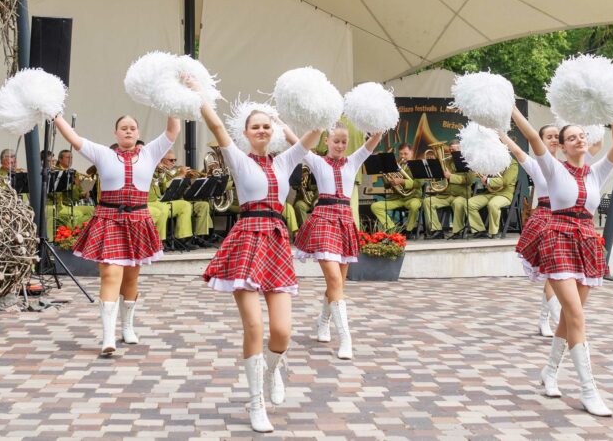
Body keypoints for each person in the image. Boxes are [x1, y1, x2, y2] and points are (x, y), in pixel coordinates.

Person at [190, 76, 311, 434]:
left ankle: (273, 369)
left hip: (276, 241)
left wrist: (319, 105)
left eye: (266, 126)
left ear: (274, 131)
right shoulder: (238, 160)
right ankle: (256, 402)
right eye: (255, 126)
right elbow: (215, 125)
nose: (261, 130)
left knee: (282, 332)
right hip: (246, 239)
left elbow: (312, 137)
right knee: (254, 326)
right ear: (246, 133)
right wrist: (199, 94)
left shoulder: (285, 160)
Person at [509, 106, 613, 417]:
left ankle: (549, 372)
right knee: (575, 315)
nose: (578, 140)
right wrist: (511, 108)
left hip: (586, 241)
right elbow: (532, 137)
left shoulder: (597, 172)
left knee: (570, 318)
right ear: (561, 146)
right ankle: (589, 391)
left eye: (581, 135)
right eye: (571, 138)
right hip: (557, 239)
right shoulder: (553, 169)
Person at [54, 113, 181, 357]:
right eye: (123, 128)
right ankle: (108, 336)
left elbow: (172, 131)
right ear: (115, 133)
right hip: (109, 219)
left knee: (131, 279)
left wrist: (171, 104)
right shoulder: (103, 154)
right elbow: (74, 138)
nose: (128, 131)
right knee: (110, 275)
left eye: (132, 127)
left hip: (138, 220)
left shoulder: (150, 153)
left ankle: (127, 327)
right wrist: (56, 115)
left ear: (138, 133)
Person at [290, 123, 384, 361]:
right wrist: (279, 123)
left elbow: (373, 141)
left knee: (338, 284)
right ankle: (345, 339)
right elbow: (296, 142)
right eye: (336, 141)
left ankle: (323, 321)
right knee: (333, 279)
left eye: (344, 142)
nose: (340, 146)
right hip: (323, 220)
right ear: (326, 141)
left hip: (344, 222)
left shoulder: (353, 161)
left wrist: (382, 122)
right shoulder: (317, 161)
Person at [502, 125, 562, 337]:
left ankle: (546, 320)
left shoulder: (567, 166)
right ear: (541, 140)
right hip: (545, 220)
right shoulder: (536, 165)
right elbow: (518, 152)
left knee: (555, 274)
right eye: (549, 136)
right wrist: (500, 133)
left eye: (557, 136)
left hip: (565, 220)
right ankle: (559, 323)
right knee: (553, 273)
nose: (553, 139)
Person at [369, 144, 423, 235]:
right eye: (401, 154)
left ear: (412, 152)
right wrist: (386, 176)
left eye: (405, 154)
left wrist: (402, 181)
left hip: (413, 197)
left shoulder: (418, 165)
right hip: (397, 198)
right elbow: (387, 186)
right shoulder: (394, 165)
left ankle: (409, 230)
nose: (403, 156)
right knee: (375, 206)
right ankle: (391, 229)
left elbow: (418, 184)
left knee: (414, 206)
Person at [465, 158, 518, 238]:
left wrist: (488, 181)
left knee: (493, 204)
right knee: (469, 203)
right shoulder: (491, 161)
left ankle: (494, 232)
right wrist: (481, 176)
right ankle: (479, 230)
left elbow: (506, 181)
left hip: (504, 194)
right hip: (490, 193)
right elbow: (486, 177)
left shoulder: (512, 163)